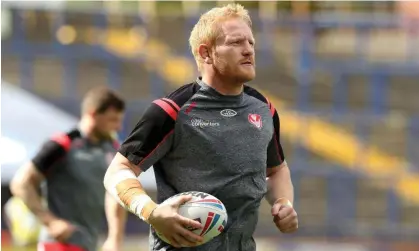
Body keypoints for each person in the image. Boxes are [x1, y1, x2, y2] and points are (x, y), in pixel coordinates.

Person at [104, 3, 298, 251]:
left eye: (251, 43)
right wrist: (151, 212)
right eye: (236, 42)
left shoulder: (264, 109)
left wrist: (283, 202)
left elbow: (277, 170)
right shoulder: (172, 110)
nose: (248, 50)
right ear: (206, 53)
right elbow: (117, 171)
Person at [10, 86, 128, 251]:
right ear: (92, 114)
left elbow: (116, 195)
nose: (118, 127)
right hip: (58, 245)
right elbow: (20, 183)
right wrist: (50, 222)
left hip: (90, 244)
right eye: (112, 120)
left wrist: (115, 239)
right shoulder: (62, 144)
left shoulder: (113, 150)